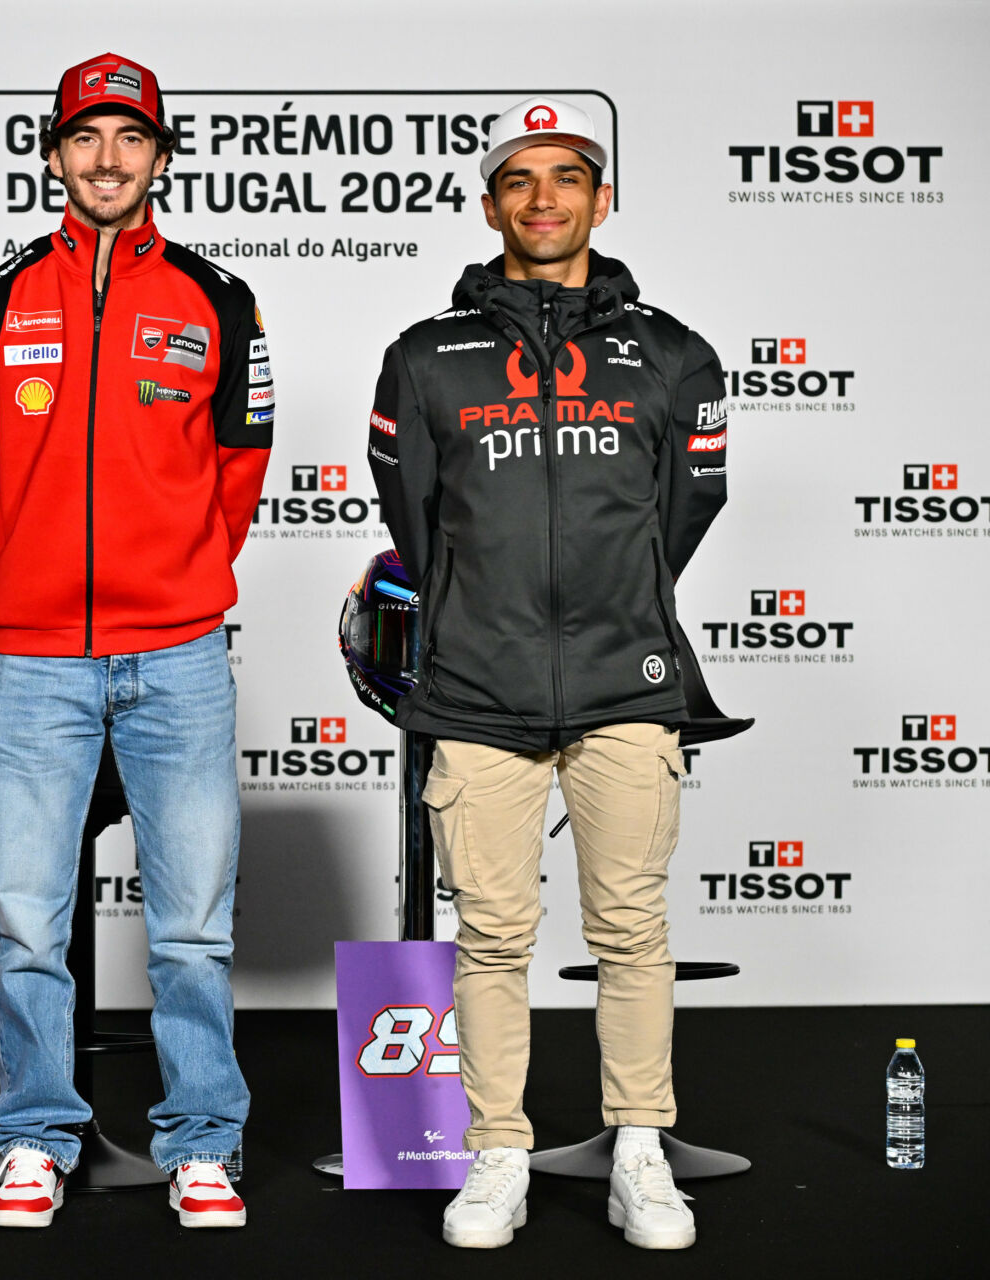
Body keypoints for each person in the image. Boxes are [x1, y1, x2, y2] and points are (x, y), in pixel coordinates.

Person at [366, 96, 730, 1251]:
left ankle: (638, 1149)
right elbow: (416, 525)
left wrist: (612, 600)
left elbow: (686, 508)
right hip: (478, 690)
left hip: (628, 683)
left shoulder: (672, 352)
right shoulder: (427, 354)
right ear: (490, 206)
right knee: (493, 935)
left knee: (631, 927)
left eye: (566, 177)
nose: (543, 199)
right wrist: (489, 609)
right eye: (520, 181)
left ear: (600, 198)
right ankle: (497, 1153)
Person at [0, 52, 273, 1230]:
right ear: (54, 154)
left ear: (161, 158)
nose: (107, 159)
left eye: (130, 139)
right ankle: (35, 1131)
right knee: (31, 917)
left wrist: (175, 575)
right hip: (34, 658)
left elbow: (239, 466)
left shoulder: (216, 299)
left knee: (190, 924)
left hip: (179, 653)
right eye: (86, 138)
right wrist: (40, 571)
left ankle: (202, 1140)